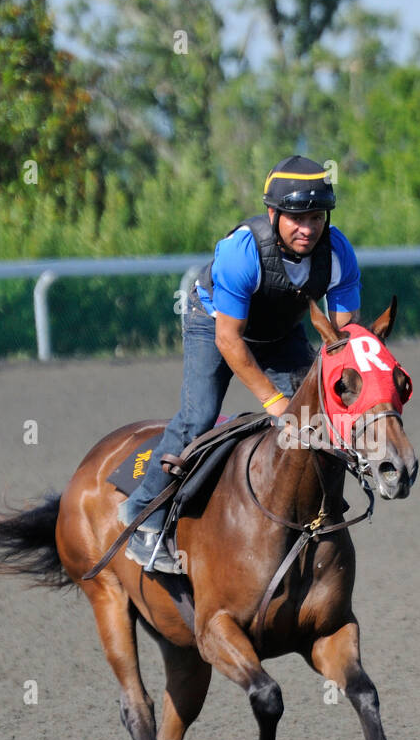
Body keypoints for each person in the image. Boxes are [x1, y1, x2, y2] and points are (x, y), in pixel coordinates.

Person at [118, 155, 361, 572]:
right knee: (199, 416)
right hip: (214, 324)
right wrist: (273, 402)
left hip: (280, 333)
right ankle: (143, 515)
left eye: (317, 217)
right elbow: (230, 340)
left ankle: (313, 510)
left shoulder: (338, 251)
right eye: (296, 218)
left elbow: (342, 338)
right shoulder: (241, 252)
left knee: (319, 412)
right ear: (273, 214)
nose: (308, 229)